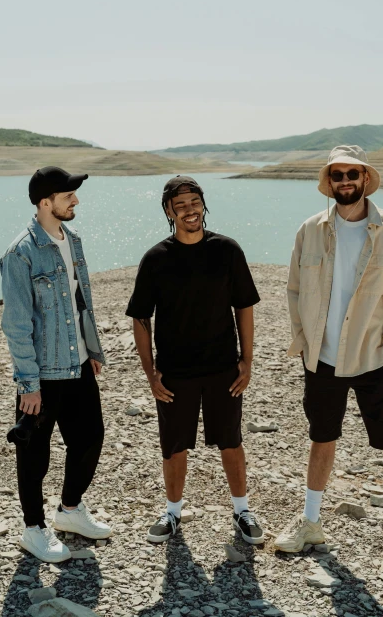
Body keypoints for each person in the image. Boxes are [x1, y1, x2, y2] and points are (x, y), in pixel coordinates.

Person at [274, 146, 383, 584]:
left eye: (352, 174)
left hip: (372, 358)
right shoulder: (310, 230)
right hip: (321, 359)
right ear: (330, 181)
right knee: (320, 439)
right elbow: (293, 289)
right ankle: (311, 524)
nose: (345, 181)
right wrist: (303, 340)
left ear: (365, 178)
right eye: (338, 174)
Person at [126, 175, 264, 545]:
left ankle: (242, 511)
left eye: (194, 201)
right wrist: (150, 373)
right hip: (175, 371)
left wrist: (247, 361)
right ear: (169, 211)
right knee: (174, 446)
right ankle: (172, 513)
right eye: (180, 204)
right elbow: (141, 318)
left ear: (203, 204)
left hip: (223, 368)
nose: (189, 210)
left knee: (231, 441)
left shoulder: (227, 250)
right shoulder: (156, 258)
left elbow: (244, 307)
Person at [0, 166, 111, 563]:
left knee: (90, 439)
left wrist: (92, 350)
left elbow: (81, 301)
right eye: (68, 196)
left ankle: (69, 511)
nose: (75, 200)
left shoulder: (73, 240)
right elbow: (16, 324)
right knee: (35, 455)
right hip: (43, 374)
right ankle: (34, 530)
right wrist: (28, 384)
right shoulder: (20, 253)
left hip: (78, 365)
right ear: (45, 202)